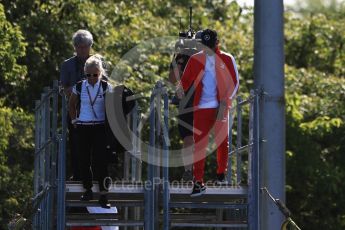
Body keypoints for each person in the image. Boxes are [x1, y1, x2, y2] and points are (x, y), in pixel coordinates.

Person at [176, 29, 239, 197]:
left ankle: (221, 174)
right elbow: (186, 80)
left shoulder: (227, 58)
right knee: (200, 145)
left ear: (216, 43)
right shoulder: (196, 59)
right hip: (202, 107)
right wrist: (180, 89)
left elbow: (235, 83)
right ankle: (198, 182)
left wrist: (225, 102)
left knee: (221, 141)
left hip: (221, 105)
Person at [69, 55, 112, 208]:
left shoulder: (106, 86)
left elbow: (113, 108)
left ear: (100, 73)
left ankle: (104, 195)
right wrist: (74, 121)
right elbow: (71, 104)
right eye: (89, 75)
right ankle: (87, 190)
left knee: (101, 162)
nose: (92, 78)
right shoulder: (80, 86)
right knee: (83, 160)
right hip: (83, 126)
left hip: (100, 126)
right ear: (85, 73)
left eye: (95, 74)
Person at [168, 30, 203, 181]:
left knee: (201, 139)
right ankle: (189, 171)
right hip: (186, 103)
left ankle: (199, 172)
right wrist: (179, 59)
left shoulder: (206, 57)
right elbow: (172, 79)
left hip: (203, 102)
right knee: (188, 138)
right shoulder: (181, 57)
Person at [60, 29, 94, 180]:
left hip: (94, 109)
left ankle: (92, 173)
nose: (82, 49)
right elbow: (64, 88)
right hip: (75, 110)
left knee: (94, 143)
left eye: (85, 46)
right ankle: (78, 174)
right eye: (79, 46)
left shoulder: (98, 63)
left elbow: (105, 84)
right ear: (74, 47)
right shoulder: (67, 65)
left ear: (90, 46)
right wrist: (77, 95)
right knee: (75, 142)